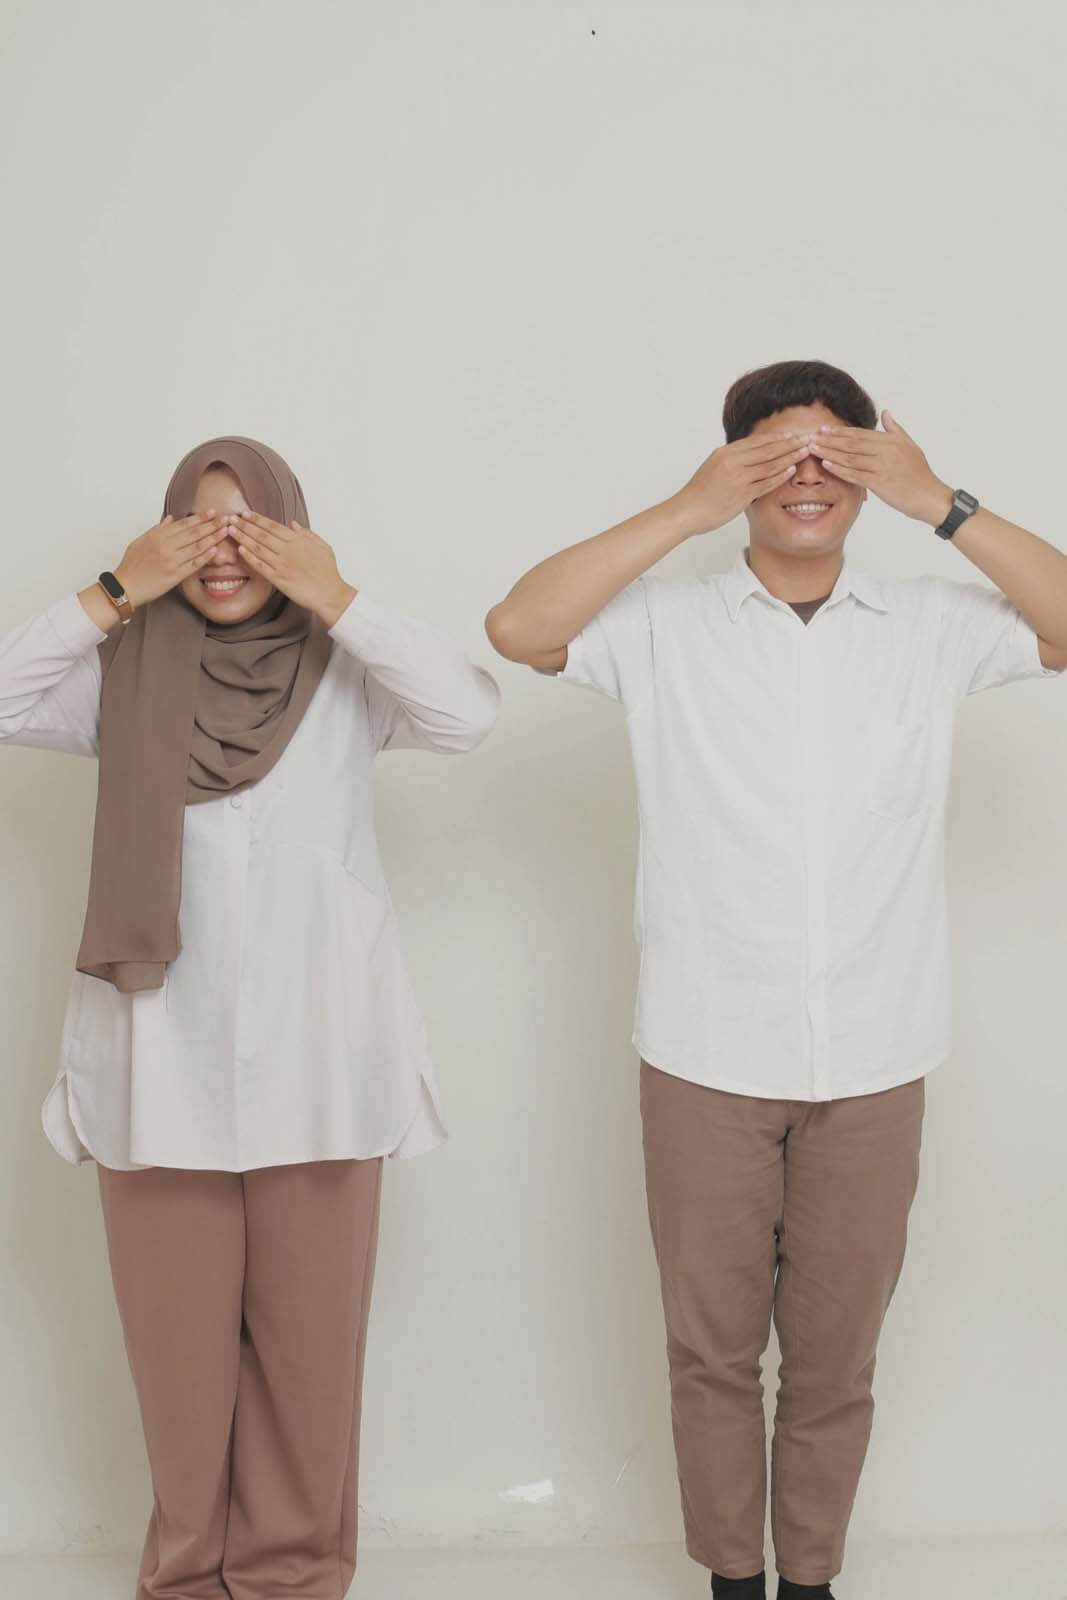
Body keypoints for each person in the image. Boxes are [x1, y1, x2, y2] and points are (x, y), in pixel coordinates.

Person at [484, 360, 1067, 1600]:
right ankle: (730, 1583)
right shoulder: (662, 625)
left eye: (833, 452)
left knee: (833, 1361)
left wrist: (935, 500)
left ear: (868, 469)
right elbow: (517, 628)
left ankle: (808, 1583)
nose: (804, 474)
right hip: (703, 1050)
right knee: (707, 1353)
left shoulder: (929, 624)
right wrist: (685, 509)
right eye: (772, 453)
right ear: (731, 467)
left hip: (877, 1053)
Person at [0, 435, 501, 1600]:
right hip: (156, 1069)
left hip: (322, 1072)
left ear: (294, 533)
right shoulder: (118, 673)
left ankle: (290, 1579)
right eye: (197, 524)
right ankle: (185, 1580)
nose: (223, 550)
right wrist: (114, 590)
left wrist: (340, 597)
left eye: (250, 525)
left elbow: (468, 713)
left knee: (308, 1365)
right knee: (176, 1366)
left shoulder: (346, 673)